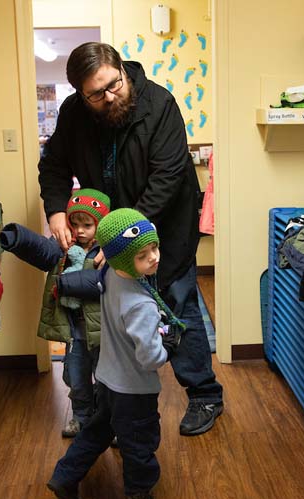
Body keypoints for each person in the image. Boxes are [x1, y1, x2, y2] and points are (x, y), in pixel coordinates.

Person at [38, 42, 223, 436]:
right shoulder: (74, 115)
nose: (109, 97)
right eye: (96, 95)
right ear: (80, 95)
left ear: (120, 69)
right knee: (115, 312)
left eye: (113, 85)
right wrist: (55, 209)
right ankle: (119, 404)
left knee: (176, 304)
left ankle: (206, 395)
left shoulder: (159, 104)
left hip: (164, 229)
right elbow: (53, 164)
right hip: (109, 235)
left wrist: (121, 239)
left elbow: (168, 177)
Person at [47, 209, 182, 499]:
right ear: (122, 259)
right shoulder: (142, 304)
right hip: (134, 391)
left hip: (106, 378)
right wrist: (168, 348)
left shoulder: (109, 275)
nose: (154, 258)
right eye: (143, 255)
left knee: (96, 431)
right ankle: (138, 496)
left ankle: (65, 476)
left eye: (155, 248)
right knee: (138, 443)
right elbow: (150, 358)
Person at [56, 189, 111, 437]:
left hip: (101, 331)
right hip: (75, 330)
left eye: (87, 225)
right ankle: (80, 417)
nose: (80, 230)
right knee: (76, 378)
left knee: (104, 377)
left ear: (100, 225)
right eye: (74, 224)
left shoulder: (106, 252)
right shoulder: (66, 249)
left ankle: (105, 418)